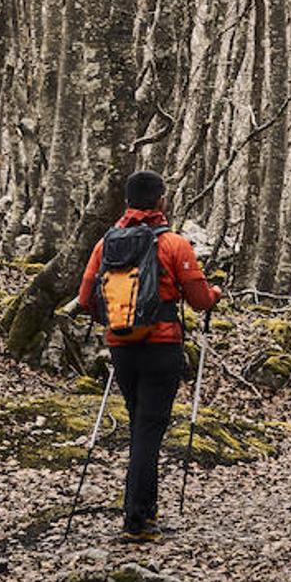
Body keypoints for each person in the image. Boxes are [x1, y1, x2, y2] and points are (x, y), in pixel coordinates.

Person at [78, 171, 222, 542]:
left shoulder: (105, 244)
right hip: (162, 346)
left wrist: (115, 321)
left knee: (139, 424)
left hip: (121, 348)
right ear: (160, 201)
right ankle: (139, 519)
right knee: (148, 430)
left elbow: (85, 300)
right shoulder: (174, 244)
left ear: (126, 202)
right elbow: (200, 299)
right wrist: (216, 294)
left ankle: (139, 510)